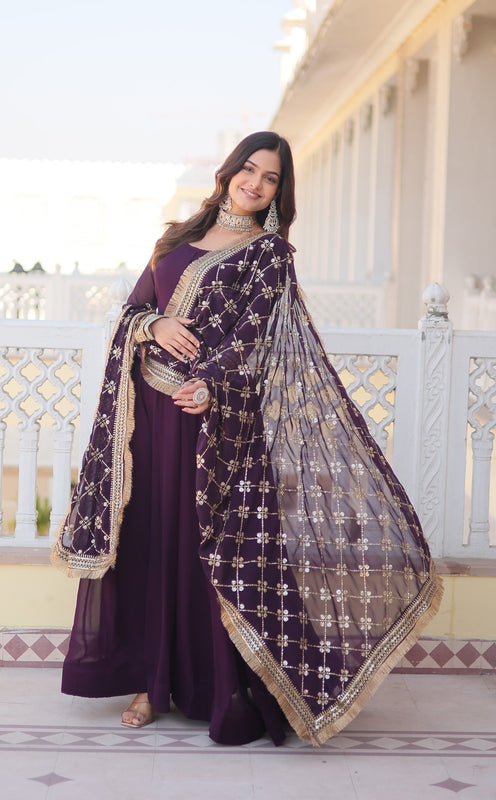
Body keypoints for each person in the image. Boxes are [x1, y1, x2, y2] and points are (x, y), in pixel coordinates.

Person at [53, 131, 442, 747]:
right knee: (151, 542)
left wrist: (211, 383)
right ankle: (149, 684)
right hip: (148, 414)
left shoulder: (270, 255)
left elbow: (253, 338)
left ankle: (216, 686)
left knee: (208, 551)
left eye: (270, 178)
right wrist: (155, 324)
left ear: (279, 192)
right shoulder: (175, 238)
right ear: (229, 171)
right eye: (250, 169)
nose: (255, 183)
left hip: (215, 421)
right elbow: (131, 310)